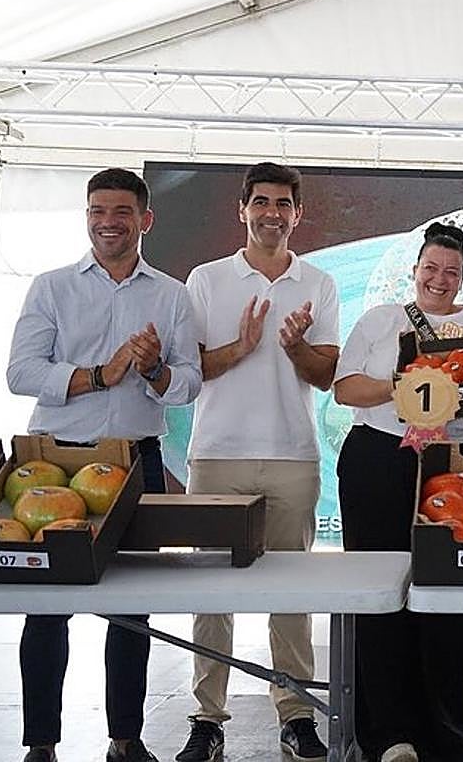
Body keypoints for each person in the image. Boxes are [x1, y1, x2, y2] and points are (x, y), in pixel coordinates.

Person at [6, 168, 202, 762]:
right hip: (54, 463)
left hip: (134, 462)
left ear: (146, 219)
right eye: (97, 210)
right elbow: (21, 372)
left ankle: (126, 739)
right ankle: (41, 744)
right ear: (87, 216)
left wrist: (151, 372)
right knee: (45, 612)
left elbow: (188, 384)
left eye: (120, 211)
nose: (107, 222)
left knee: (132, 611)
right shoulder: (51, 286)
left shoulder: (171, 295)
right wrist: (100, 375)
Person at [176, 163, 339, 762]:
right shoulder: (208, 280)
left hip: (294, 456)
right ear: (242, 209)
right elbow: (188, 368)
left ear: (298, 214)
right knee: (211, 593)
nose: (272, 212)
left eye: (283, 204)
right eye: (261, 202)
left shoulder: (317, 283)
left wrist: (294, 347)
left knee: (291, 595)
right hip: (217, 455)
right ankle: (207, 718)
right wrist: (240, 348)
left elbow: (326, 377)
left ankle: (296, 716)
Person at [334, 222, 463, 762]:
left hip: (449, 469)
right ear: (415, 271)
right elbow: (345, 388)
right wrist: (401, 384)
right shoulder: (380, 320)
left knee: (448, 595)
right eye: (431, 269)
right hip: (379, 461)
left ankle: (448, 728)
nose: (439, 279)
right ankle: (386, 732)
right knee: (380, 590)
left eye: (450, 272)